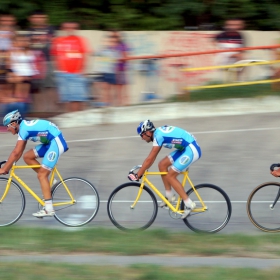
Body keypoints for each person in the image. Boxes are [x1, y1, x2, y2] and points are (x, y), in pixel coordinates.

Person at [0, 109, 68, 217]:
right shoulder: (23, 129)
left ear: (13, 123)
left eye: (7, 126)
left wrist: (4, 169)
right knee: (27, 157)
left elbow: (16, 152)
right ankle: (50, 180)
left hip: (56, 142)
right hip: (50, 142)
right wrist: (8, 165)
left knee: (41, 175)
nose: (7, 129)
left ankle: (49, 209)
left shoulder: (23, 130)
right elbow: (20, 152)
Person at [128, 120, 201, 219]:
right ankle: (169, 197)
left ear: (148, 133)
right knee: (162, 165)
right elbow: (152, 159)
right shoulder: (157, 134)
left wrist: (138, 174)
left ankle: (189, 203)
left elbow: (150, 159)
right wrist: (141, 171)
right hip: (184, 149)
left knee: (171, 176)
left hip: (191, 149)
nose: (142, 138)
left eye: (142, 135)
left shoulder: (158, 136)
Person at [51, 22, 91, 112]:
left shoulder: (81, 40)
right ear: (63, 29)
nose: (70, 29)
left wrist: (84, 70)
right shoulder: (57, 40)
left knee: (77, 98)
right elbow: (54, 55)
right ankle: (69, 119)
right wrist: (58, 70)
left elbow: (85, 55)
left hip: (77, 73)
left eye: (73, 27)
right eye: (67, 27)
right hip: (63, 74)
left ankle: (76, 119)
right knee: (66, 99)